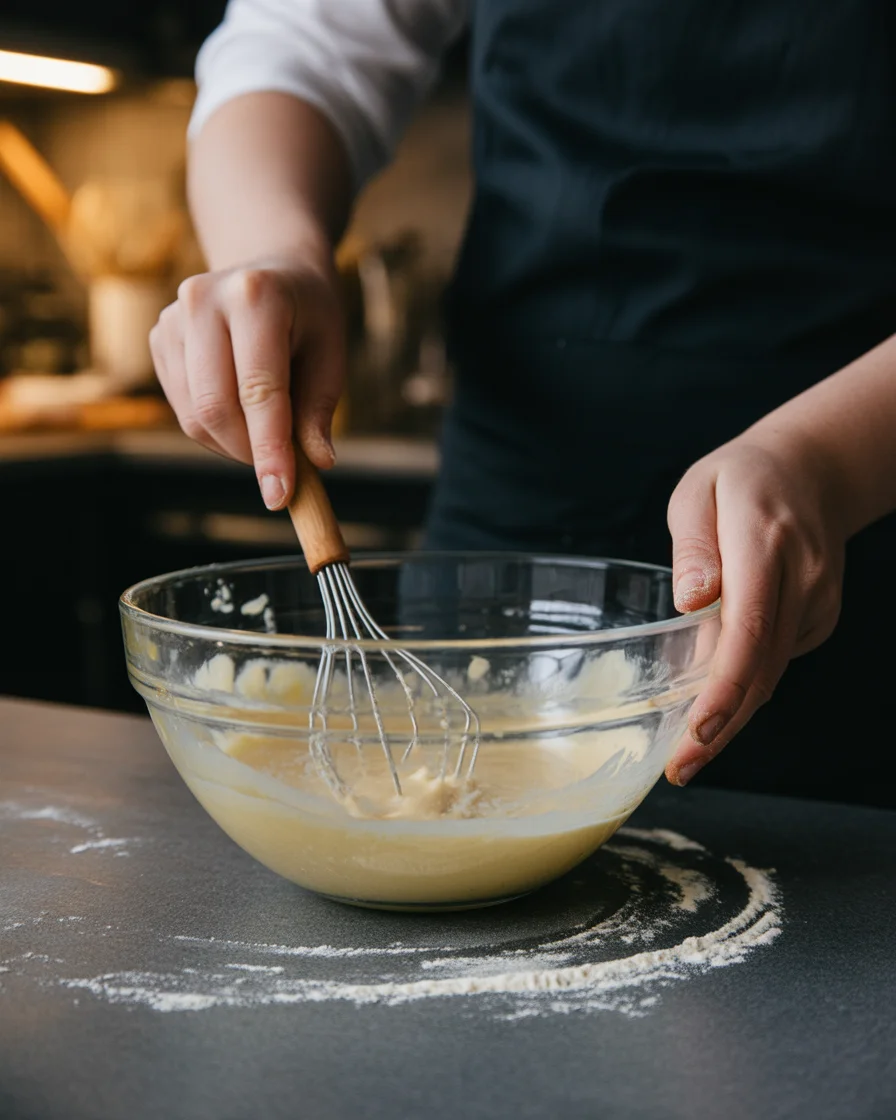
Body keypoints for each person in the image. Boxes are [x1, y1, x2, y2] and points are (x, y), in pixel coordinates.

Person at [149, 0, 896, 809]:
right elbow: (302, 46)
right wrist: (274, 252)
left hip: (863, 510)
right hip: (514, 506)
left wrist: (833, 458)